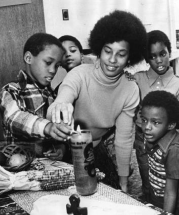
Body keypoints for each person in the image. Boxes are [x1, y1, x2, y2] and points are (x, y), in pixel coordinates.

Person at [47, 10, 147, 192]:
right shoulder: (80, 74)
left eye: (121, 54)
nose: (112, 60)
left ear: (130, 57)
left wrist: (123, 182)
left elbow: (124, 139)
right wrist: (60, 103)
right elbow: (64, 96)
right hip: (65, 151)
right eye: (107, 51)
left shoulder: (130, 89)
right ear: (99, 49)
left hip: (96, 149)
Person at [133, 30, 179, 200]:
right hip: (143, 141)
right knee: (148, 183)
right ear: (146, 58)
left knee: (168, 186)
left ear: (169, 52)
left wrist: (166, 116)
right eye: (152, 56)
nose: (158, 60)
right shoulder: (137, 79)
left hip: (167, 146)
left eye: (163, 54)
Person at [0, 33, 71, 160]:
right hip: (20, 167)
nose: (53, 70)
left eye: (57, 65)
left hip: (50, 168)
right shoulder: (11, 90)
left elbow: (59, 130)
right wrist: (48, 127)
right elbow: (13, 118)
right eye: (48, 62)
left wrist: (61, 147)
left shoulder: (53, 95)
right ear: (28, 58)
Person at [140, 90, 179, 215]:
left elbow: (171, 194)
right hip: (158, 198)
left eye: (156, 122)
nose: (147, 127)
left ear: (171, 125)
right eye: (144, 120)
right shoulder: (151, 136)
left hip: (178, 207)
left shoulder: (174, 152)